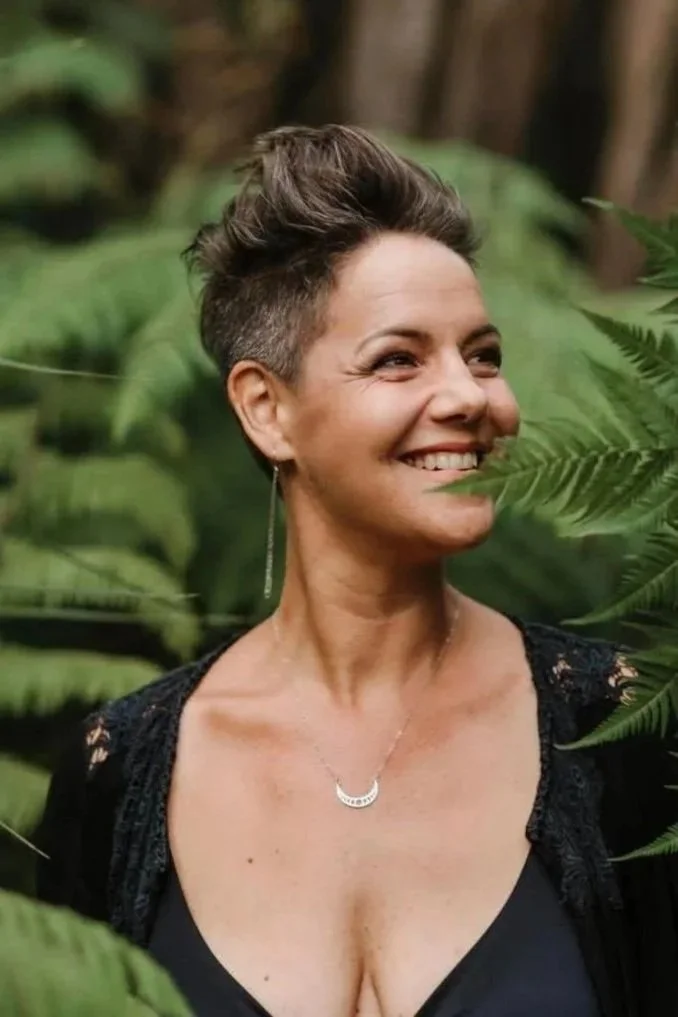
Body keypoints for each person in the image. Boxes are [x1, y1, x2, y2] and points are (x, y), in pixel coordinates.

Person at [35, 125, 677, 1017]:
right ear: (267, 409)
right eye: (398, 359)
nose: (471, 396)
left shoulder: (622, 730)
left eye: (483, 355)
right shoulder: (119, 776)